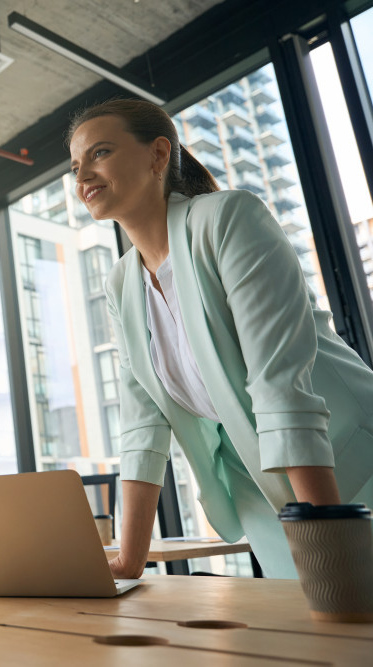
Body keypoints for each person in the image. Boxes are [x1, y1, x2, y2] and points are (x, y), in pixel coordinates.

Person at [67, 98, 373, 579]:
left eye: (99, 153)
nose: (82, 174)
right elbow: (142, 425)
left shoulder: (228, 219)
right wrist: (129, 560)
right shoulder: (121, 283)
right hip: (262, 496)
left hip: (343, 468)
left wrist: (330, 538)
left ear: (158, 155)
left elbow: (280, 386)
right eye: (75, 164)